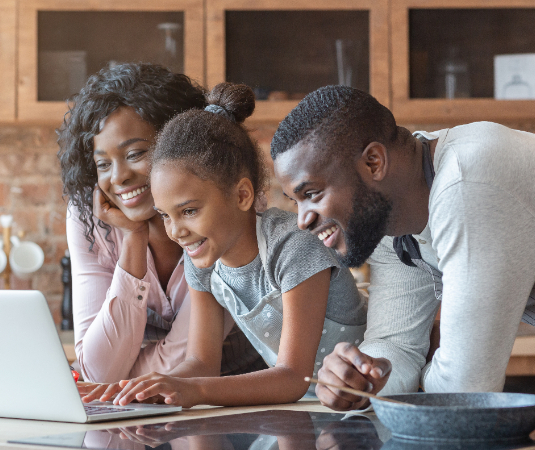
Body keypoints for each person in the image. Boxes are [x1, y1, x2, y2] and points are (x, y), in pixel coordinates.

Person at [270, 85, 535, 410]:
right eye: (295, 201)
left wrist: (414, 380)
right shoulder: (394, 215)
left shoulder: (468, 187)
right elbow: (397, 346)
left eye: (312, 193)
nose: (302, 221)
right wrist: (364, 378)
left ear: (374, 162)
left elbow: (465, 389)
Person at [80, 83, 367, 407]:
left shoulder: (293, 248)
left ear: (242, 195)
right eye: (165, 215)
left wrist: (195, 391)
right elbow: (202, 364)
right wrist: (133, 391)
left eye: (189, 211)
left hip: (368, 402)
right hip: (311, 409)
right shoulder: (203, 260)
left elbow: (292, 377)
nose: (175, 231)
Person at [58, 64, 264, 383]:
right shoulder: (91, 216)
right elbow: (96, 370)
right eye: (102, 163)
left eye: (136, 153)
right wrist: (134, 239)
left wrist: (118, 373)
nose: (119, 176)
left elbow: (185, 361)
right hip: (153, 406)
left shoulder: (224, 210)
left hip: (240, 400)